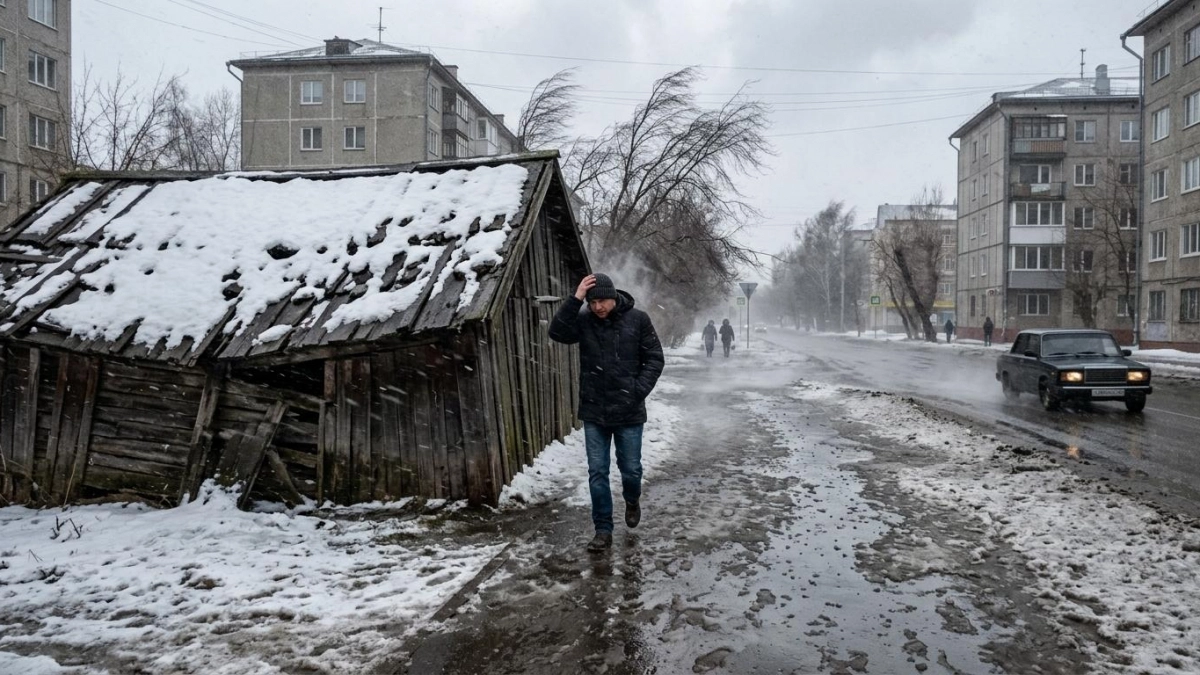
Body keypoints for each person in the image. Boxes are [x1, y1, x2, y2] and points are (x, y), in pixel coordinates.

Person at [549, 273, 665, 552]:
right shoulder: (585, 320)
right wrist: (575, 299)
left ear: (613, 297)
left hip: (629, 412)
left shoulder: (638, 320)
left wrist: (636, 391)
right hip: (594, 411)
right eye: (592, 302)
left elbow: (655, 358)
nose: (597, 307)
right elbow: (557, 332)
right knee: (597, 473)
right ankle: (603, 530)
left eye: (601, 301)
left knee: (631, 470)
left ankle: (632, 499)